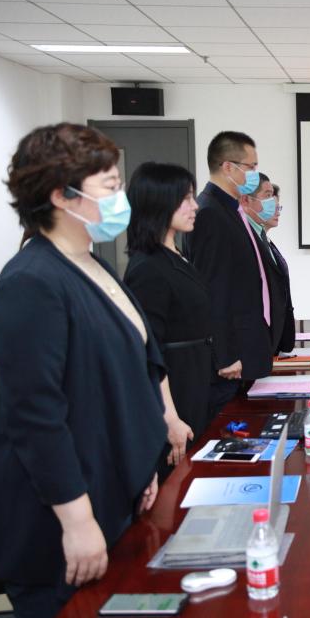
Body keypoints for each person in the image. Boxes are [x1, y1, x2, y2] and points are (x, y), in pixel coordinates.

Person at [0, 124, 165, 617]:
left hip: (111, 493)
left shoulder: (92, 265)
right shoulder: (31, 282)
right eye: (110, 186)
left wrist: (141, 462)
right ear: (62, 196)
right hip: (56, 520)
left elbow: (129, 371)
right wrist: (77, 521)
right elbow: (34, 416)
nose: (121, 199)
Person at [125, 162, 214, 478]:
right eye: (185, 198)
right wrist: (170, 419)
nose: (195, 206)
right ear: (159, 202)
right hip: (175, 396)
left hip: (195, 385)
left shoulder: (176, 255)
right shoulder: (147, 268)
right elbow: (148, 352)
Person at [183, 131, 273, 418]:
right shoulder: (210, 212)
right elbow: (211, 289)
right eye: (251, 167)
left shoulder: (230, 209)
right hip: (231, 360)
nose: (255, 174)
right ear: (228, 167)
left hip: (247, 347)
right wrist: (224, 355)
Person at [240, 173, 294, 354]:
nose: (274, 207)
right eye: (267, 196)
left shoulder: (263, 236)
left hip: (273, 339)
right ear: (246, 200)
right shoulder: (244, 236)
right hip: (257, 340)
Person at [262, 183, 295, 351]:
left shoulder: (267, 242)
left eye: (279, 207)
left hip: (278, 336)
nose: (278, 212)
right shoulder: (255, 243)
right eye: (273, 207)